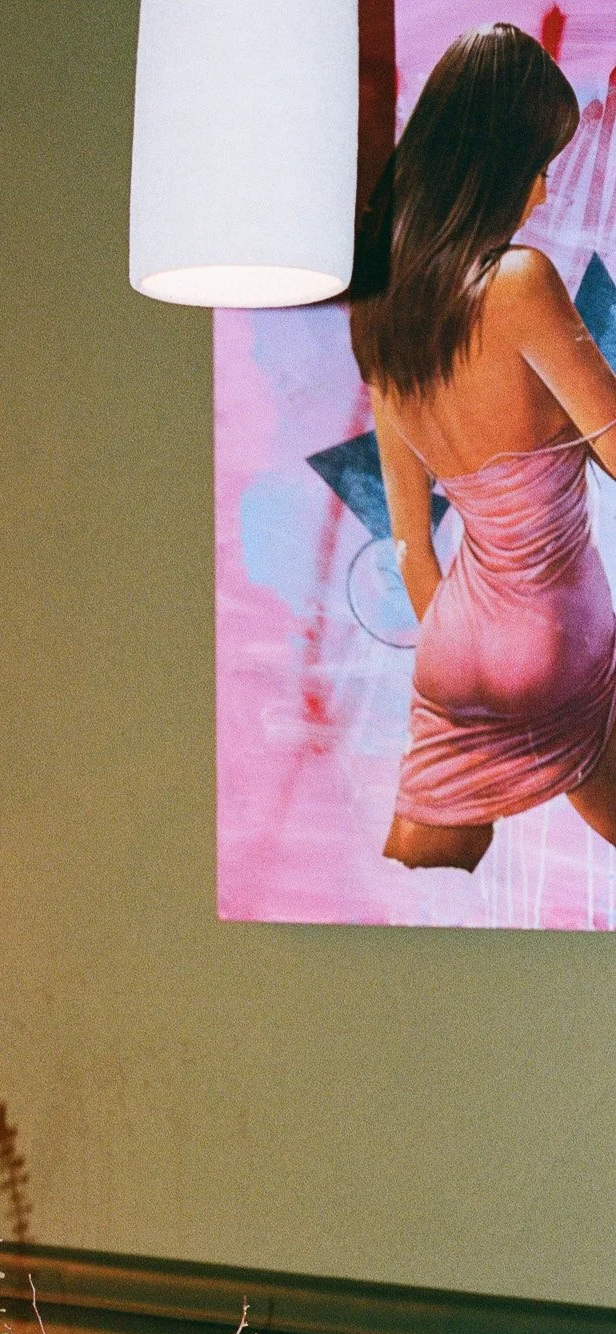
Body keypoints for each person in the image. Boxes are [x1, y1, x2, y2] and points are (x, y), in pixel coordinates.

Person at [352, 23, 616, 872]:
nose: (543, 190)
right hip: (554, 635)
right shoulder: (518, 283)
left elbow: (410, 544)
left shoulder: (382, 318)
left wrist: (470, 649)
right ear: (491, 166)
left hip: (453, 646)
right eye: (536, 164)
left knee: (426, 857)